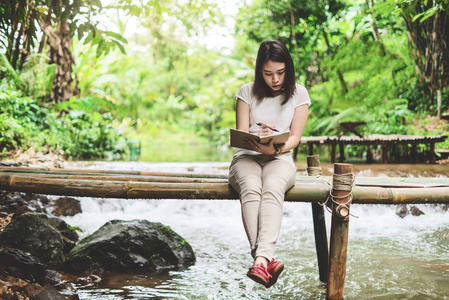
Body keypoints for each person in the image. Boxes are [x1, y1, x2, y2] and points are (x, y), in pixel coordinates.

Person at [228, 40, 310, 288]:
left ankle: (259, 261)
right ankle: (265, 259)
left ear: (289, 69)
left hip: (281, 158)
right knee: (251, 188)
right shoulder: (246, 92)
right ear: (259, 72)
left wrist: (276, 146)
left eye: (281, 73)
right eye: (268, 74)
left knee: (272, 187)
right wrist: (257, 133)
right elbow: (241, 133)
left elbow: (295, 137)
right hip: (247, 157)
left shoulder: (300, 94)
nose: (275, 79)